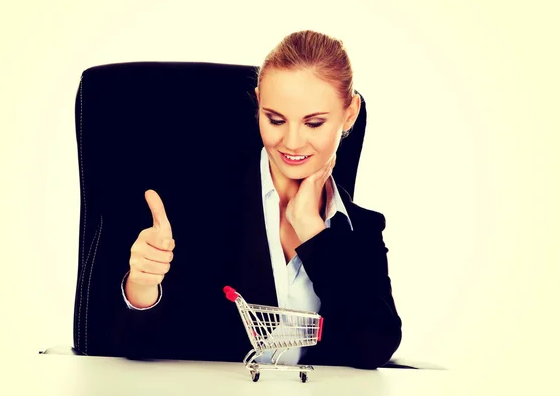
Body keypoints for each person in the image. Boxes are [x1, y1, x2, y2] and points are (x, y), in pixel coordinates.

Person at [113, 30, 402, 369]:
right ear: (258, 104)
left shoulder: (361, 229)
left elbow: (374, 348)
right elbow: (134, 344)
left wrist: (312, 231)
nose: (292, 142)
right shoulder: (203, 200)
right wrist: (142, 287)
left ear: (349, 113)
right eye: (275, 119)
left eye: (314, 123)